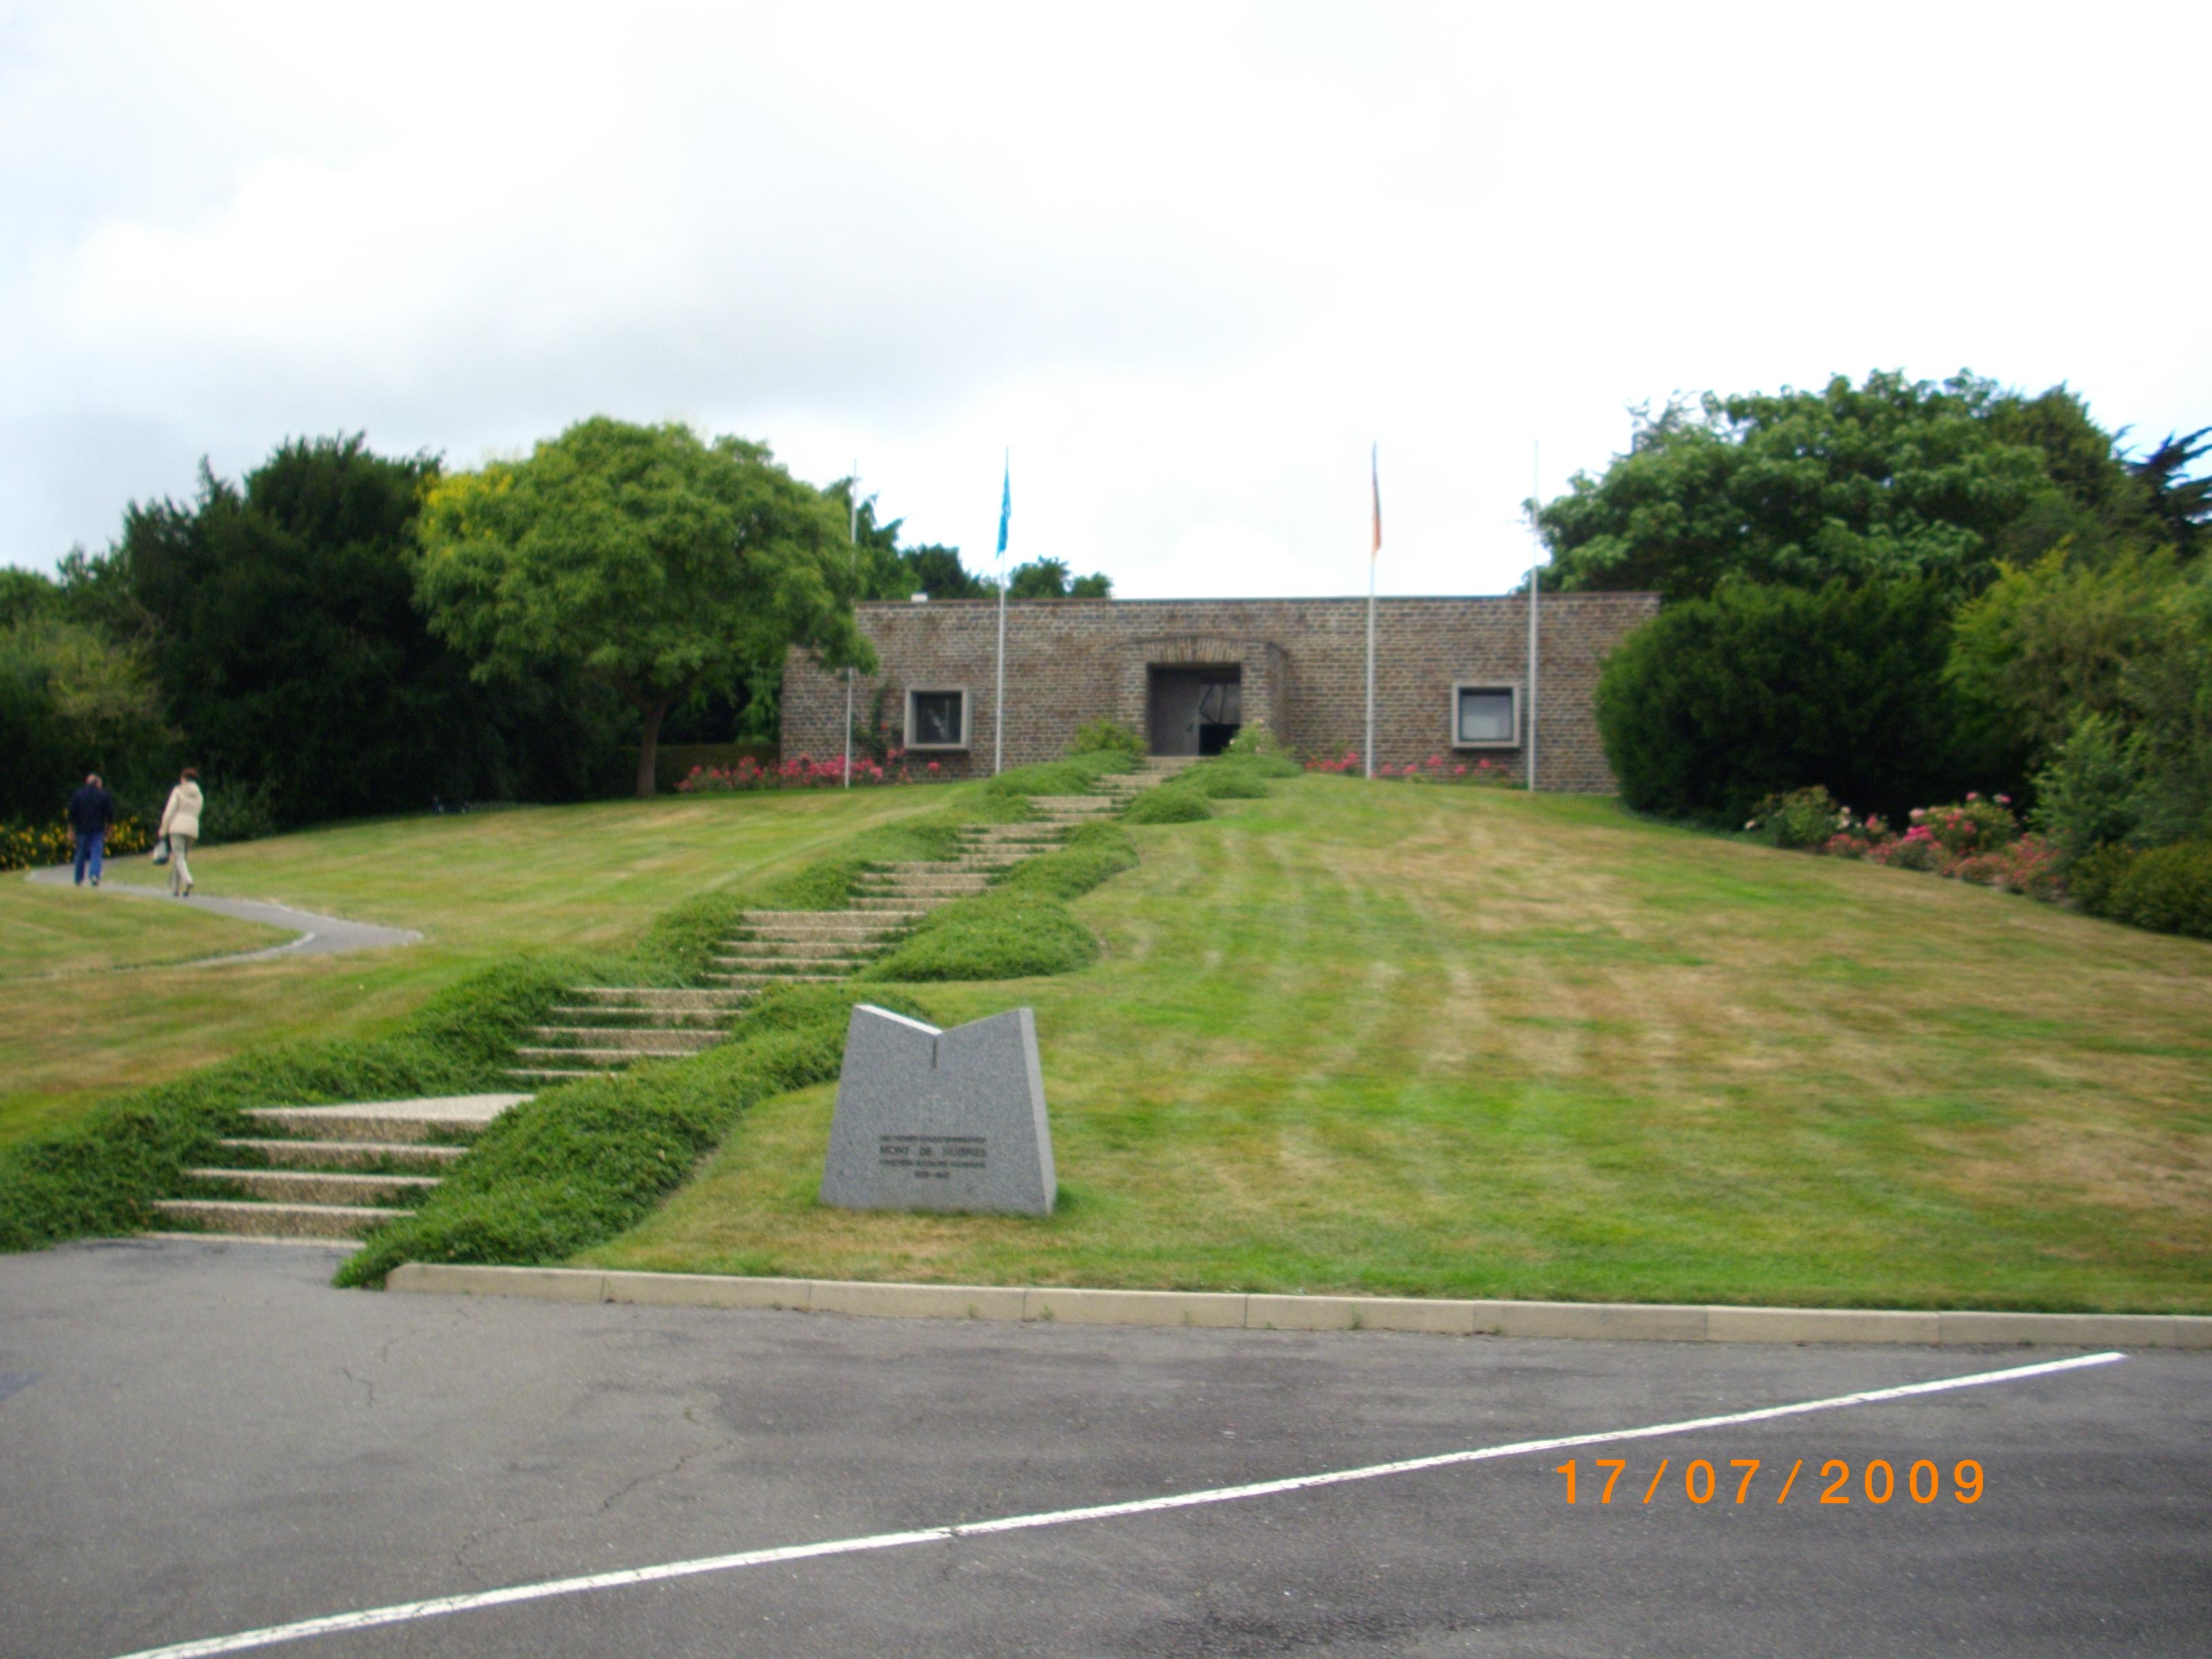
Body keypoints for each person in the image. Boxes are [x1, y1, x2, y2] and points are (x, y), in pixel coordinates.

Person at [157, 768, 204, 898]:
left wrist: (163, 828)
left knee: (178, 857)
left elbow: (170, 811)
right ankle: (175, 888)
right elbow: (199, 810)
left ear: (184, 779)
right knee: (182, 858)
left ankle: (188, 880)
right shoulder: (199, 794)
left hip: (178, 826)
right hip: (192, 827)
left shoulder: (178, 790)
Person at [67, 773, 115, 886]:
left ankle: (78, 878)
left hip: (81, 829)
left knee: (81, 854)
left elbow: (71, 813)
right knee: (96, 854)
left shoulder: (78, 795)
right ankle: (94, 875)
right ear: (98, 783)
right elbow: (110, 814)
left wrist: (70, 830)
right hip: (97, 829)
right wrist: (108, 829)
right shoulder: (103, 795)